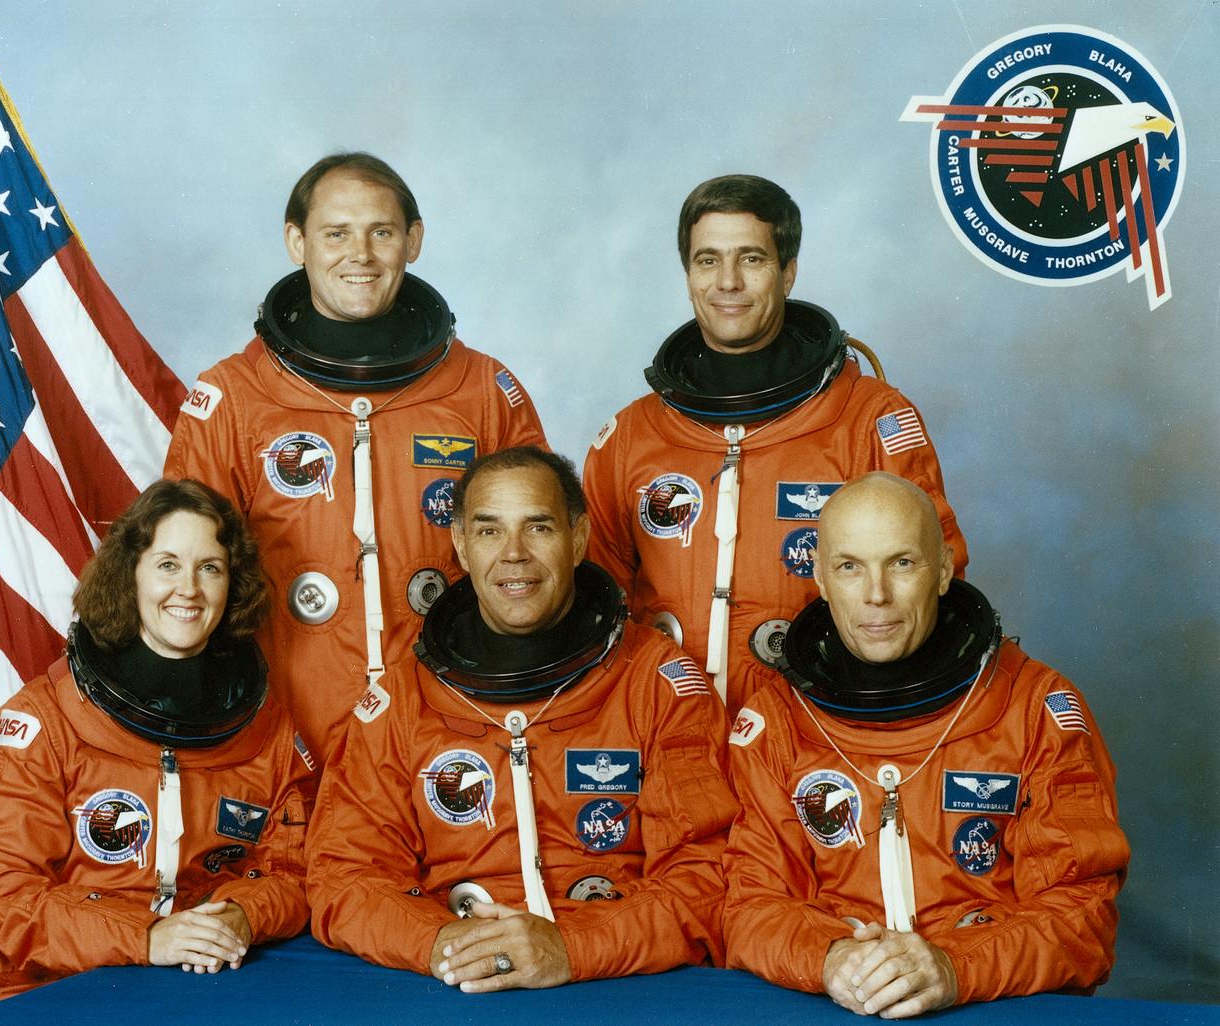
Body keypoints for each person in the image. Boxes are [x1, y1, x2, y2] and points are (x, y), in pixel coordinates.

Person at [165, 152, 547, 763]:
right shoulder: (234, 397)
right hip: (287, 727)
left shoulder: (482, 391)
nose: (360, 255)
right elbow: (182, 573)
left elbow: (543, 568)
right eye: (336, 233)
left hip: (451, 725)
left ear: (413, 241)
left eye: (382, 232)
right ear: (297, 242)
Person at [307, 447, 735, 991]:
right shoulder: (403, 698)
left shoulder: (657, 681)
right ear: (460, 544)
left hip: (617, 984)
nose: (514, 554)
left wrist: (575, 947)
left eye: (538, 527)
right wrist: (442, 942)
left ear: (578, 539)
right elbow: (343, 874)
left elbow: (705, 874)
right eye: (489, 532)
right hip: (456, 982)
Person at [722, 473, 1128, 1017]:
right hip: (839, 1005)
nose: (876, 595)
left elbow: (1082, 915)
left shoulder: (1036, 708)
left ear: (942, 572)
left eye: (902, 563)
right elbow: (750, 905)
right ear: (819, 576)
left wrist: (954, 967)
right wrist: (830, 957)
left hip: (991, 1004)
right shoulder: (775, 720)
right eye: (850, 566)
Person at [583, 174, 967, 717]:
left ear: (788, 273)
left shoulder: (869, 420)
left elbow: (930, 587)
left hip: (815, 741)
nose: (728, 282)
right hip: (666, 735)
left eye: (752, 259)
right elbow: (593, 604)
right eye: (708, 260)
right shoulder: (630, 437)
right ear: (688, 274)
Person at [0, 480, 312, 1004]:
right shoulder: (41, 726)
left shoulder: (265, 728)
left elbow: (295, 871)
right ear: (131, 575)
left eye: (209, 567)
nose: (189, 589)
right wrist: (146, 936)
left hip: (207, 982)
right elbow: (7, 902)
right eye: (167, 564)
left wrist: (241, 914)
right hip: (60, 990)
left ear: (231, 585)